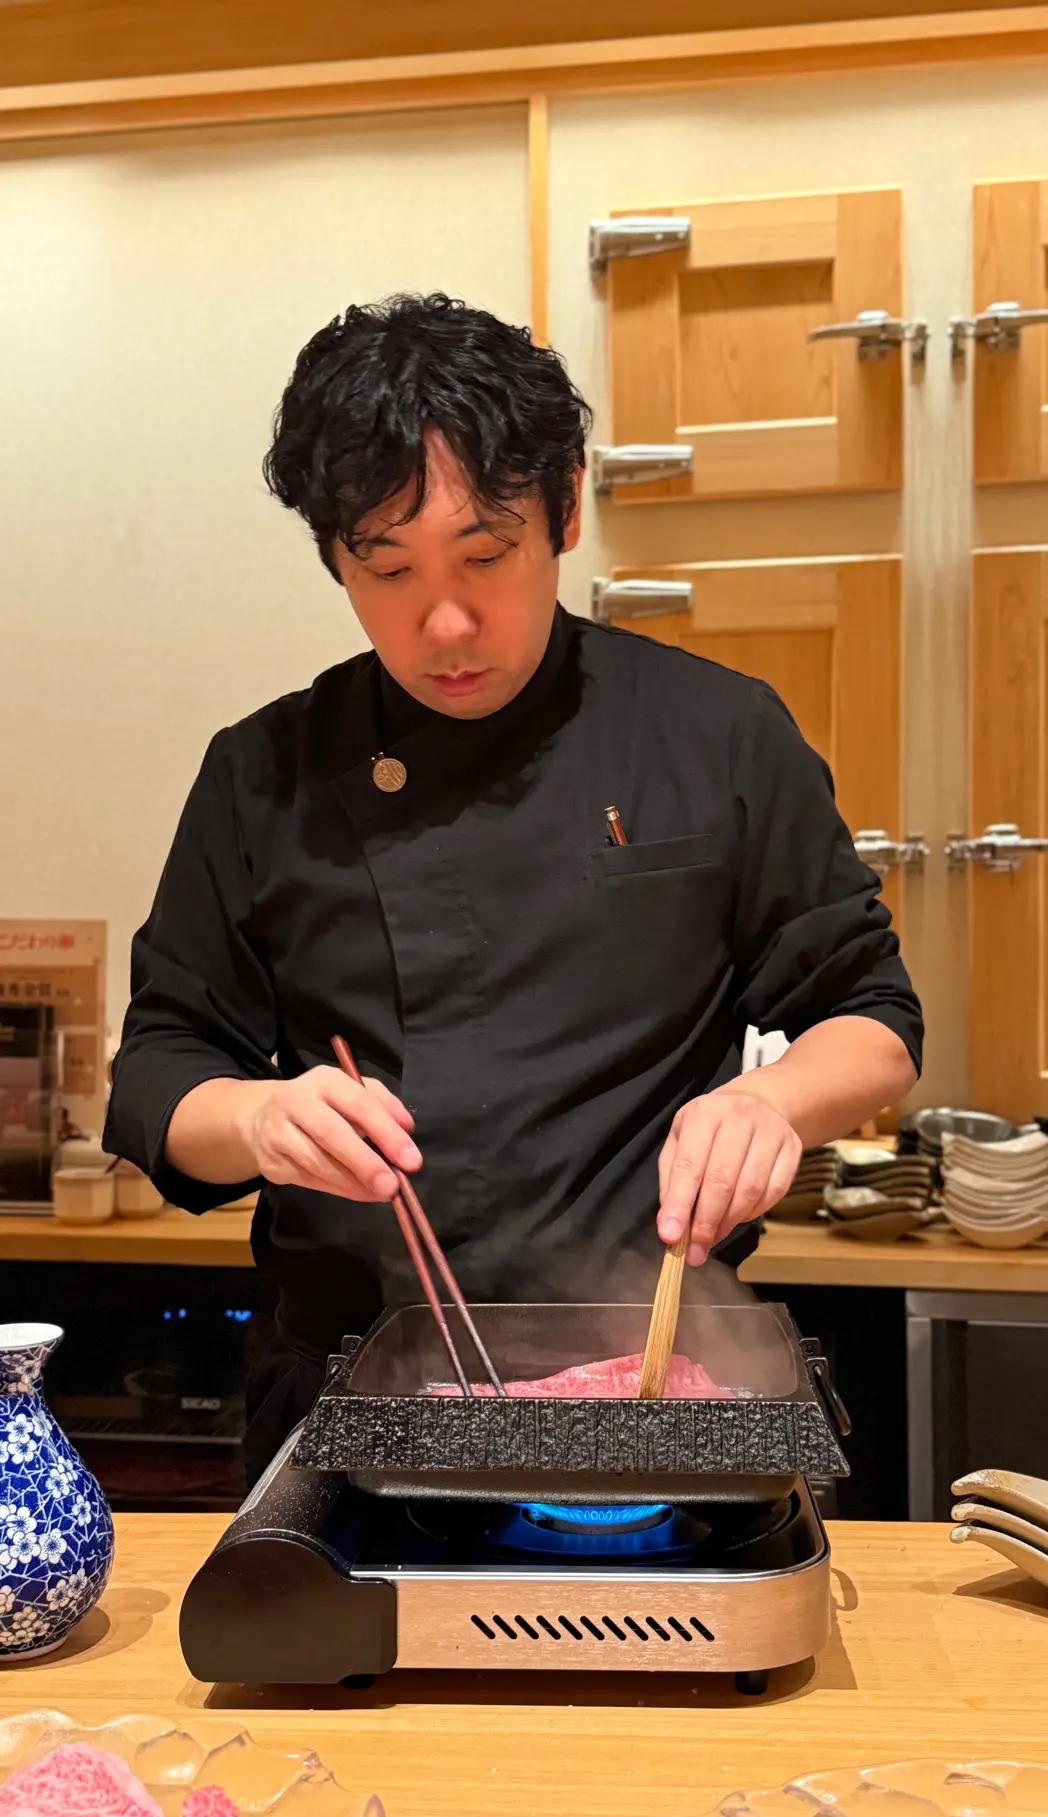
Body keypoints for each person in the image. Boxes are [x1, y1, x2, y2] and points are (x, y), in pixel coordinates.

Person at [104, 293, 922, 1483]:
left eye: (486, 555)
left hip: (652, 1383)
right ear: (335, 557)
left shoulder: (716, 734)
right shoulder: (262, 773)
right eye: (386, 568)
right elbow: (158, 1072)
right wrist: (262, 1120)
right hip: (346, 1395)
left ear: (568, 508)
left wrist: (771, 1105)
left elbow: (874, 1020)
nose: (445, 621)